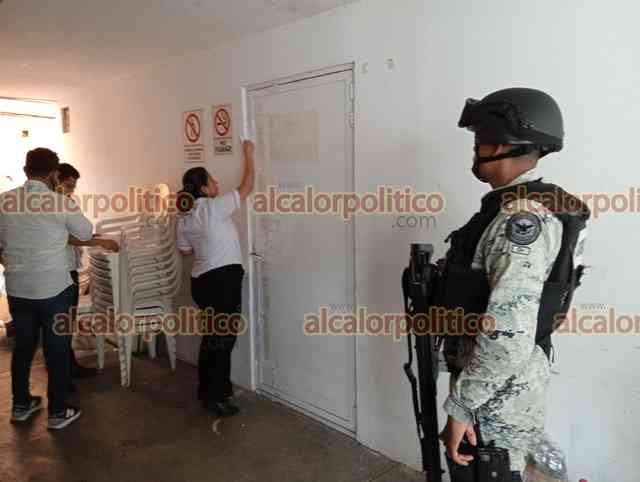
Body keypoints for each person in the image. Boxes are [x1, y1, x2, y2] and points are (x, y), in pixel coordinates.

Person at [437, 88, 590, 481]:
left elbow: (509, 333)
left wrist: (461, 406)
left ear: (501, 144)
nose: (475, 150)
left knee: (489, 473)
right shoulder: (516, 208)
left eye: (479, 140)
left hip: (495, 395)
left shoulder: (520, 219)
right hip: (495, 381)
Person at [0, 148, 94, 429]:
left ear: (25, 171)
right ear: (54, 174)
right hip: (55, 289)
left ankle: (20, 405)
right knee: (57, 349)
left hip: (18, 287)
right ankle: (57, 412)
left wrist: (10, 262)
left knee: (23, 347)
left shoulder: (4, 200)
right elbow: (86, 232)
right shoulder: (60, 202)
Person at [177, 140, 255, 417]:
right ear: (203, 188)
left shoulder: (185, 217)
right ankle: (218, 396)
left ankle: (208, 391)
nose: (217, 182)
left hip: (201, 283)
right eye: (212, 180)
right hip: (223, 282)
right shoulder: (214, 207)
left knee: (212, 338)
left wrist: (205, 245)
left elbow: (185, 251)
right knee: (223, 340)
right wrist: (249, 154)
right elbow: (247, 186)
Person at [56, 163, 119, 380]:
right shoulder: (55, 205)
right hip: (61, 270)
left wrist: (94, 238)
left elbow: (76, 233)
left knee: (65, 322)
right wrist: (97, 241)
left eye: (73, 187)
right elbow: (66, 236)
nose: (71, 191)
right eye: (68, 185)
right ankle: (64, 371)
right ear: (55, 179)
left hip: (67, 267)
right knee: (62, 322)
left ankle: (67, 365)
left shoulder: (63, 202)